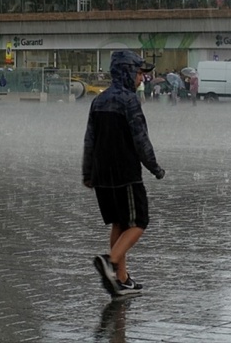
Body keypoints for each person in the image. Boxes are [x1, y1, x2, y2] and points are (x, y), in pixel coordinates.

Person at [83, 50, 165, 297]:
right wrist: (155, 168)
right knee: (139, 222)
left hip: (102, 175)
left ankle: (121, 279)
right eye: (139, 73)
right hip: (125, 174)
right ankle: (110, 261)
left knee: (120, 222)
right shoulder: (129, 101)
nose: (142, 78)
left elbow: (90, 139)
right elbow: (141, 141)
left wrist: (88, 173)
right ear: (127, 72)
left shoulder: (98, 101)